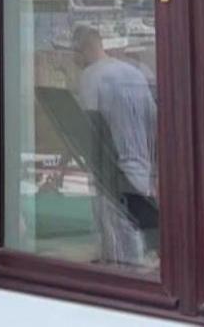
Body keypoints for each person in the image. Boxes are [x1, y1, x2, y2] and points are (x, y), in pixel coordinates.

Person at [72, 23, 158, 267]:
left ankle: (122, 280)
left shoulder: (90, 77)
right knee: (137, 228)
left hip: (111, 169)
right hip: (142, 168)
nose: (75, 60)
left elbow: (90, 129)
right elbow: (154, 120)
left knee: (115, 234)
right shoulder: (136, 73)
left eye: (75, 53)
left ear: (85, 49)